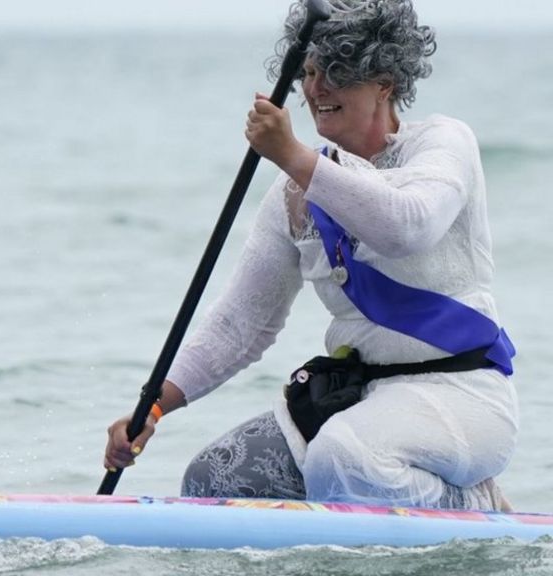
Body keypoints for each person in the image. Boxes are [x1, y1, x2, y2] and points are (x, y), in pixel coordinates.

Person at [104, 0, 518, 511]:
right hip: (356, 396)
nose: (316, 89)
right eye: (310, 72)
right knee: (214, 479)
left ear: (384, 81)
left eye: (338, 72)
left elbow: (406, 226)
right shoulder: (291, 193)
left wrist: (292, 155)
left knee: (341, 457)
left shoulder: (441, 144)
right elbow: (240, 324)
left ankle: (475, 502)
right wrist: (153, 408)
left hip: (461, 394)